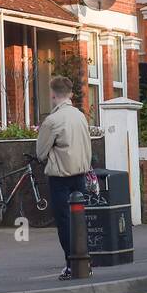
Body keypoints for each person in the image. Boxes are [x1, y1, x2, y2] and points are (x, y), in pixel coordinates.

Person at [35, 76, 94, 281]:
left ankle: (71, 265)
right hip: (80, 175)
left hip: (60, 177)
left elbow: (41, 152)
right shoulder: (80, 116)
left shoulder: (52, 121)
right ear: (70, 94)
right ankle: (85, 262)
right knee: (79, 221)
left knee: (64, 222)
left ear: (52, 94)